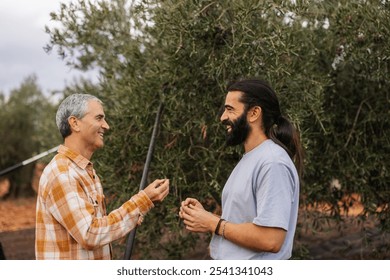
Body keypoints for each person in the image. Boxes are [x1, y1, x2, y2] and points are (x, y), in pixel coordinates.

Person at [179, 79, 303, 259]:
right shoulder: (252, 158)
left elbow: (271, 239)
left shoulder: (272, 162)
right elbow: (242, 221)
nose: (222, 117)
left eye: (230, 109)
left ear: (253, 113)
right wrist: (203, 217)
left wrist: (212, 223)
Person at [35, 93, 169, 260]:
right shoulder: (63, 173)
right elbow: (90, 233)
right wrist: (142, 201)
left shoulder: (86, 172)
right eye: (99, 118)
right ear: (75, 123)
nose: (106, 126)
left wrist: (140, 206)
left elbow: (98, 229)